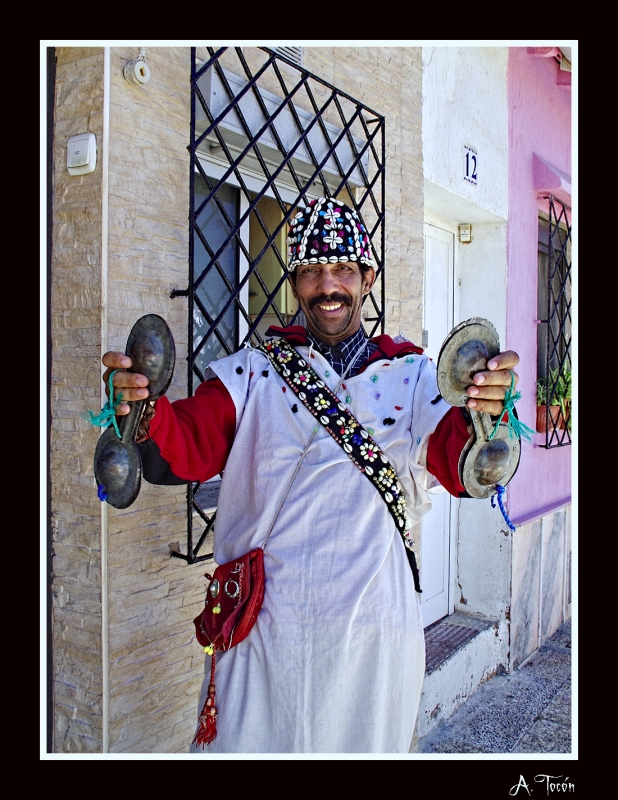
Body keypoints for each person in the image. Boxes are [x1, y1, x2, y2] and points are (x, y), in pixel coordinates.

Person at [101, 196, 520, 753]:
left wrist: (484, 412)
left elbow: (455, 456)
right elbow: (192, 442)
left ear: (367, 278)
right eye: (312, 272)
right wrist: (145, 410)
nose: (329, 286)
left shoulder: (414, 376)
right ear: (296, 284)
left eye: (344, 269)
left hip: (372, 638)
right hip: (266, 635)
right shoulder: (252, 373)